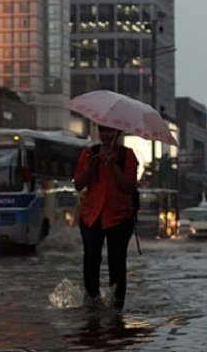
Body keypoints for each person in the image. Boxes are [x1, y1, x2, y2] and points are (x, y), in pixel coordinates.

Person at [73, 124, 138, 310]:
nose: (106, 134)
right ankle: (92, 299)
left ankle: (117, 304)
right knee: (91, 257)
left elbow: (129, 187)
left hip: (120, 217)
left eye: (110, 130)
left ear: (118, 133)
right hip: (91, 216)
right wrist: (92, 167)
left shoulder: (127, 155)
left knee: (117, 261)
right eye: (103, 130)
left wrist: (113, 165)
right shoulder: (89, 153)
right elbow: (78, 184)